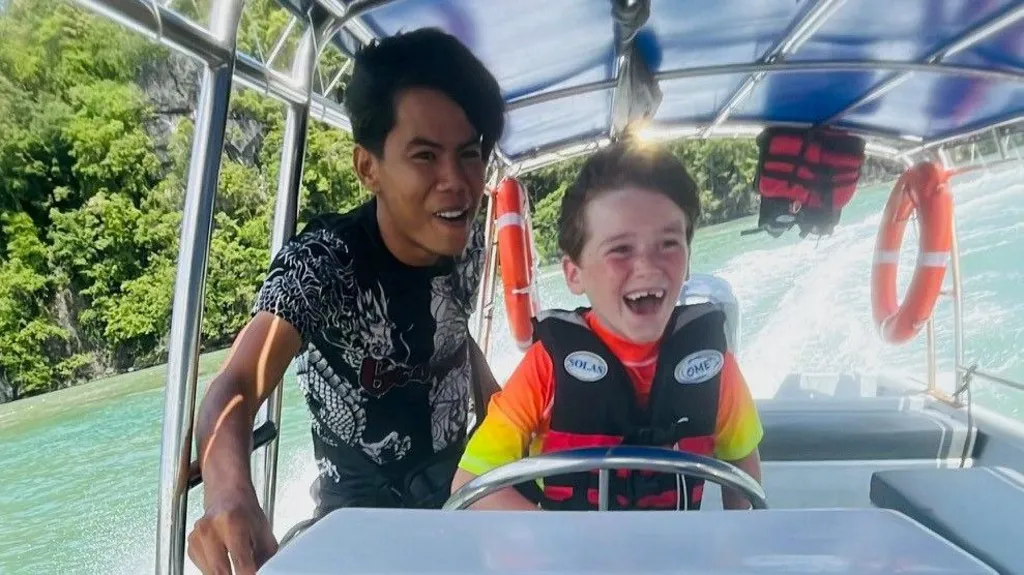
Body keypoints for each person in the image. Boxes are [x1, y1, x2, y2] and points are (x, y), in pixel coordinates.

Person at [187, 28, 505, 574]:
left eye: (470, 153)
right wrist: (228, 495)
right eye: (425, 156)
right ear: (368, 167)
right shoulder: (324, 262)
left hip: (467, 494)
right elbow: (235, 385)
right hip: (362, 525)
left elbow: (454, 334)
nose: (457, 182)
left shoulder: (467, 236)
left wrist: (501, 405)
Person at [451, 139, 763, 511]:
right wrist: (562, 549)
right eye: (620, 249)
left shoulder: (713, 366)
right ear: (574, 274)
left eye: (668, 243)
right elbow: (469, 484)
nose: (648, 267)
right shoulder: (546, 368)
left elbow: (742, 465)